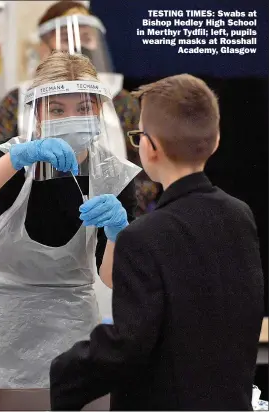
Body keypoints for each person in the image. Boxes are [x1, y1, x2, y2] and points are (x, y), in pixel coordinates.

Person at [49, 74, 264, 410]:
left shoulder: (144, 236)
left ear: (149, 147)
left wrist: (63, 372)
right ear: (216, 139)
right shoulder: (240, 215)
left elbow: (127, 345)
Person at [0, 51, 140, 410]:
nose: (72, 118)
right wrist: (17, 158)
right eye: (57, 110)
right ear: (37, 115)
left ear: (98, 111)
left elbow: (114, 277)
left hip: (71, 328)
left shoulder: (114, 175)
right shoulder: (12, 159)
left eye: (83, 107)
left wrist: (118, 233)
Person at [0, 0, 160, 217]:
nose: (78, 45)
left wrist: (124, 207)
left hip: (110, 228)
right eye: (66, 37)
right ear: (43, 47)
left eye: (87, 37)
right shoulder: (17, 101)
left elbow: (148, 168)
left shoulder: (120, 101)